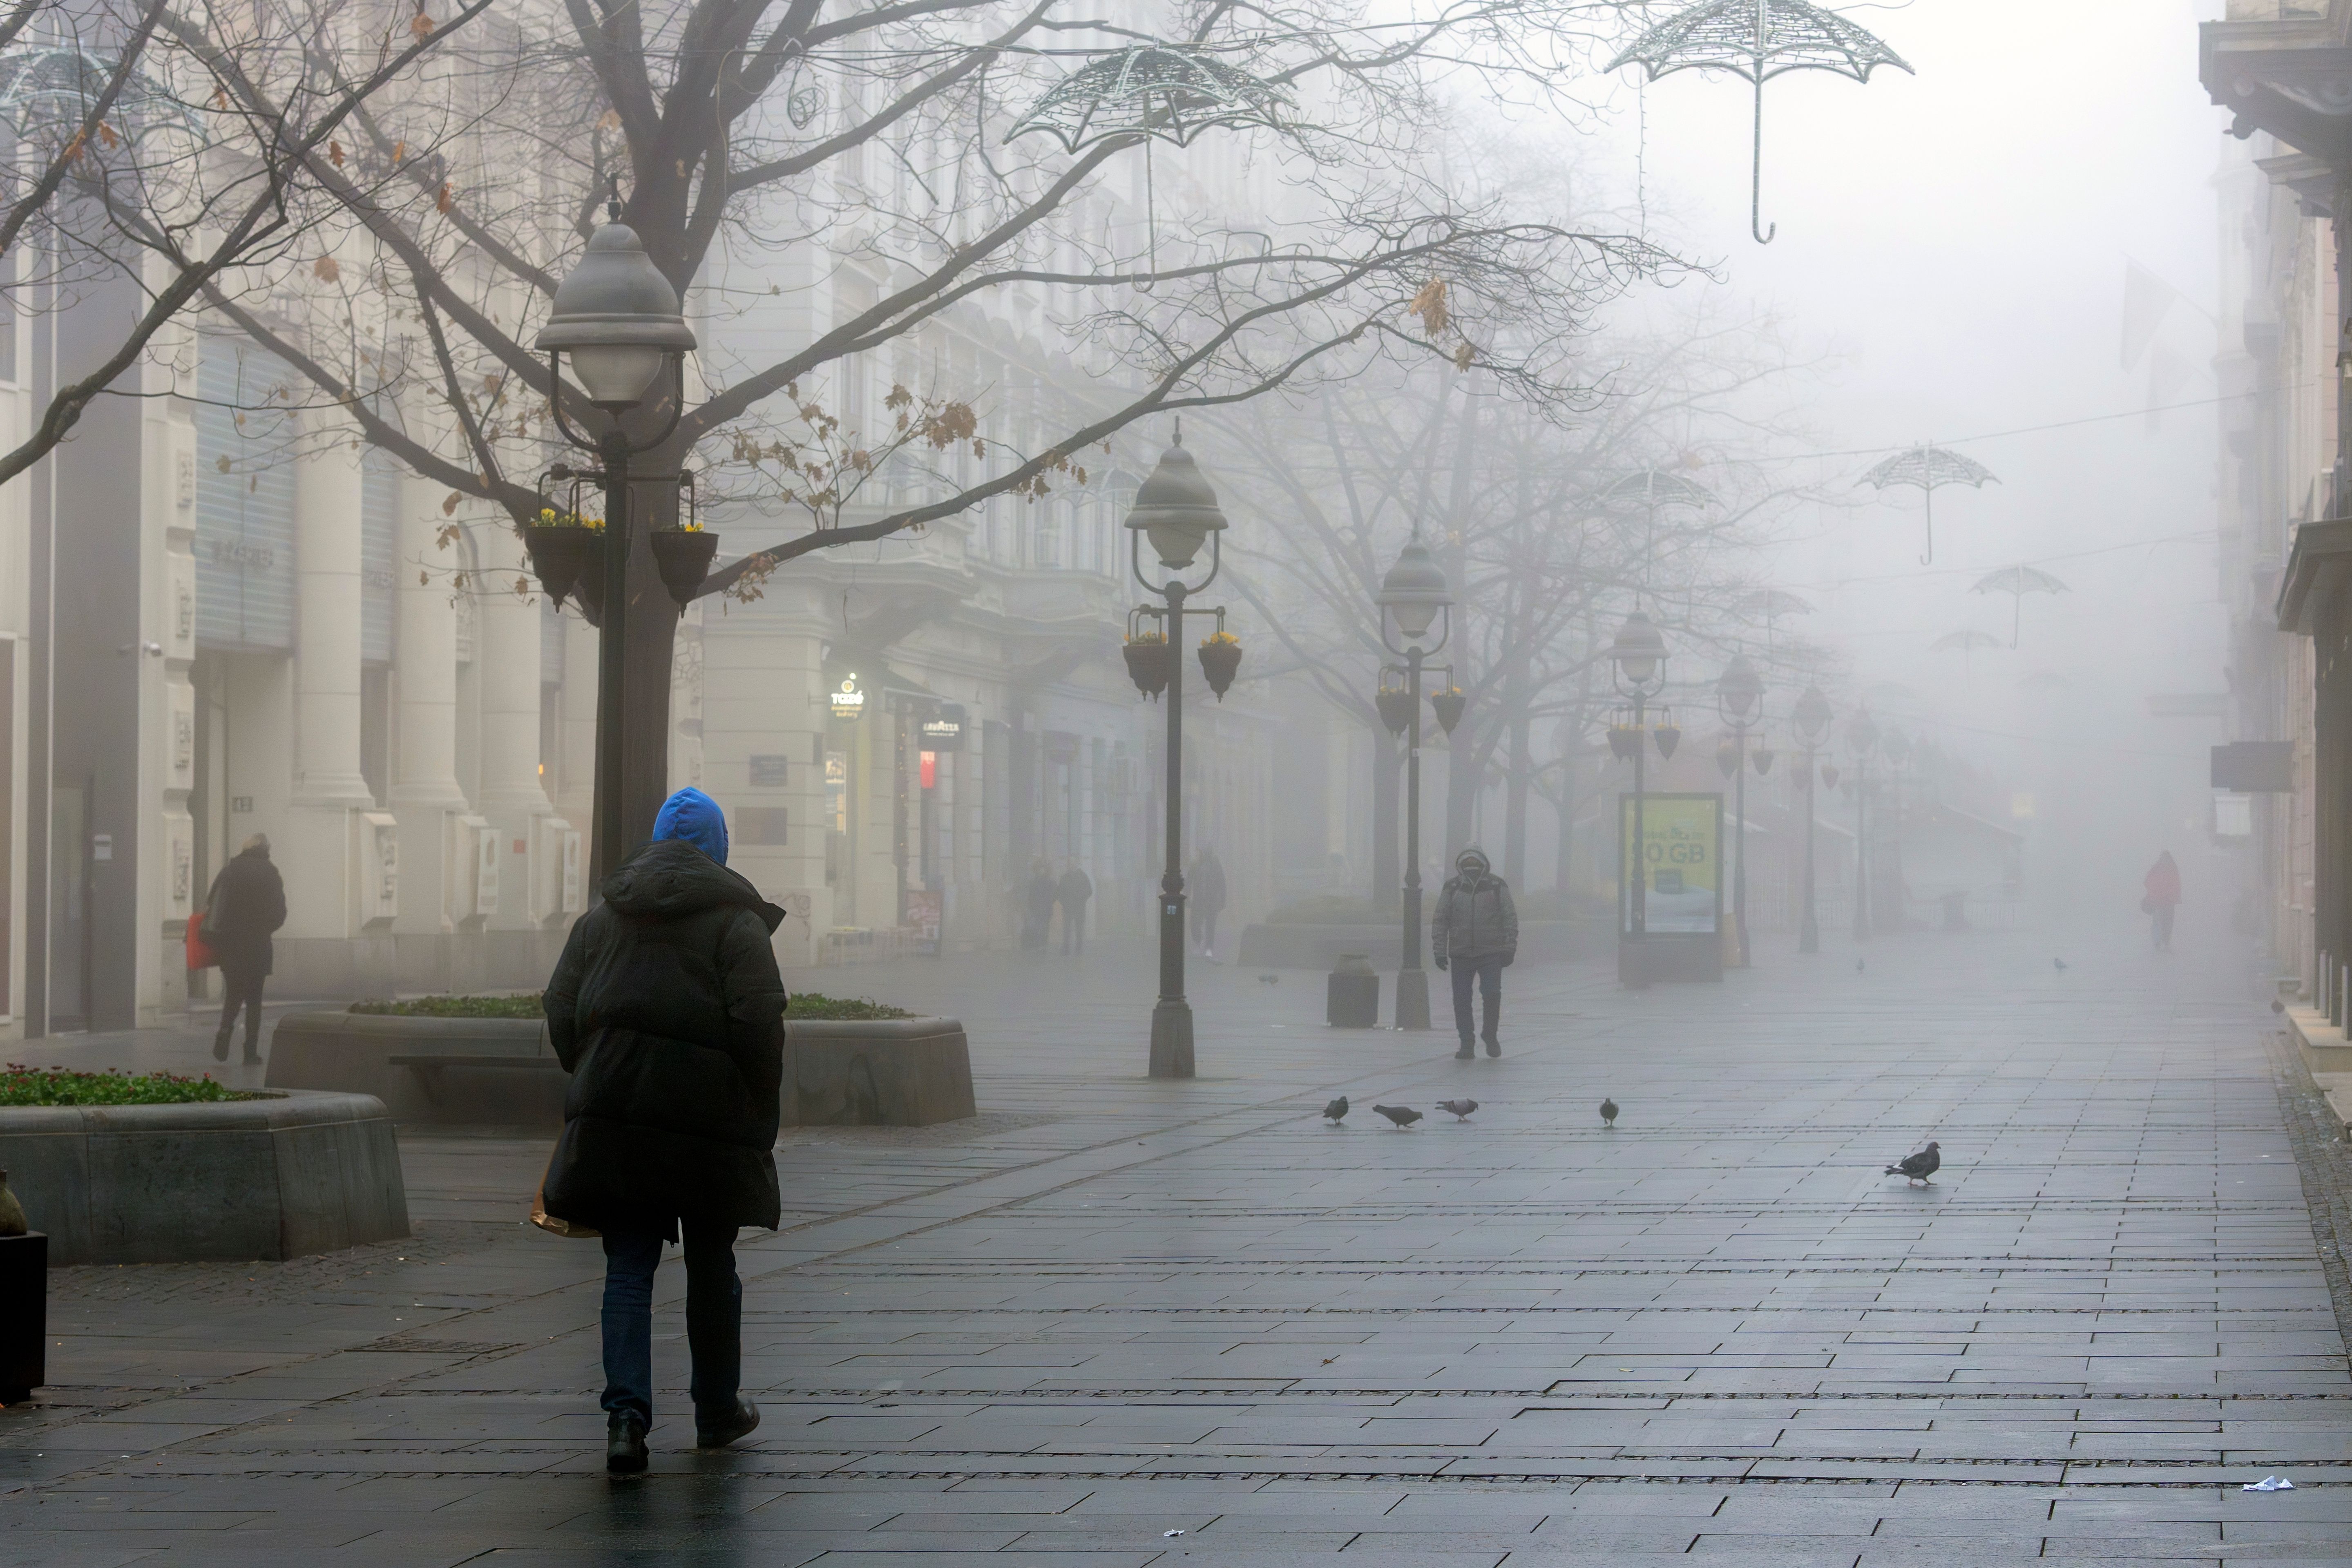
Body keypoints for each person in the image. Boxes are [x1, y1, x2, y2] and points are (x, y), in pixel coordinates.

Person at [541, 787, 786, 1474]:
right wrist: (755, 1104)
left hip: (617, 1116)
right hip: (709, 1120)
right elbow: (760, 1022)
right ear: (719, 848)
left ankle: (626, 1419)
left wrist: (595, 1069)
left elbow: (561, 1007)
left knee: (627, 1266)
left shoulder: (601, 919)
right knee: (712, 1262)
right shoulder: (737, 923)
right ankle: (717, 1410)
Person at [203, 833, 286, 1065]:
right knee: (254, 1000)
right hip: (258, 944)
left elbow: (212, 903)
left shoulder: (230, 870)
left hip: (232, 944)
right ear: (265, 849)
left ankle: (224, 1033)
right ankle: (250, 1051)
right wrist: (265, 928)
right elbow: (280, 913)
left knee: (233, 994)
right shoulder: (271, 873)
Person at [1431, 845, 1518, 1060]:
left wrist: (1509, 948)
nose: (1471, 865)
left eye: (1475, 862)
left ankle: (1490, 1035)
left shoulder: (1497, 885)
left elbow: (1509, 916)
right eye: (1467, 862)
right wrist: (1440, 951)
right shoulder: (1452, 887)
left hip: (1491, 952)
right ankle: (1467, 1043)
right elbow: (1441, 920)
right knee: (1461, 999)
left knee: (1492, 994)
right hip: (1461, 954)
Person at [1190, 848, 1228, 960]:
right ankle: (1198, 943)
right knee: (1195, 924)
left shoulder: (1216, 865)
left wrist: (1223, 900)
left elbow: (1222, 882)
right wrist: (1186, 896)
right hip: (1198, 900)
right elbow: (1189, 881)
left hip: (1212, 900)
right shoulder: (1195, 864)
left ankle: (1209, 949)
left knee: (1211, 925)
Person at [2143, 850, 2182, 952]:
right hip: (2167, 901)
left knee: (2159, 922)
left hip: (2160, 901)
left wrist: (2155, 891)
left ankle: (2160, 942)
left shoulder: (2157, 868)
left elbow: (2147, 882)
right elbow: (2177, 885)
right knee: (2166, 923)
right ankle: (2164, 942)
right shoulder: (2172, 869)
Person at [1057, 860, 1094, 955]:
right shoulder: (1064, 878)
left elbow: (1089, 891)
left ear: (1076, 865)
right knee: (1067, 930)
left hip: (1079, 908)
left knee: (1079, 929)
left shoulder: (1083, 876)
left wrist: (1081, 899)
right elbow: (1060, 893)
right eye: (1069, 864)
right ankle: (1066, 948)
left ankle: (1079, 949)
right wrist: (1065, 903)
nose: (1071, 866)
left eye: (1073, 864)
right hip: (1068, 908)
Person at [1022, 860, 1058, 952]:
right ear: (1036, 870)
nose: (1041, 871)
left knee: (1045, 927)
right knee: (1038, 927)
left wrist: (1048, 903)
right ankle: (1038, 944)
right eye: (1039, 869)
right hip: (1037, 909)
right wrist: (1032, 907)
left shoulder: (1050, 882)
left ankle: (1043, 944)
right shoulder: (1034, 882)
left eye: (1042, 869)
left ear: (1046, 870)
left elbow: (1055, 895)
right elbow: (1031, 896)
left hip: (1046, 909)